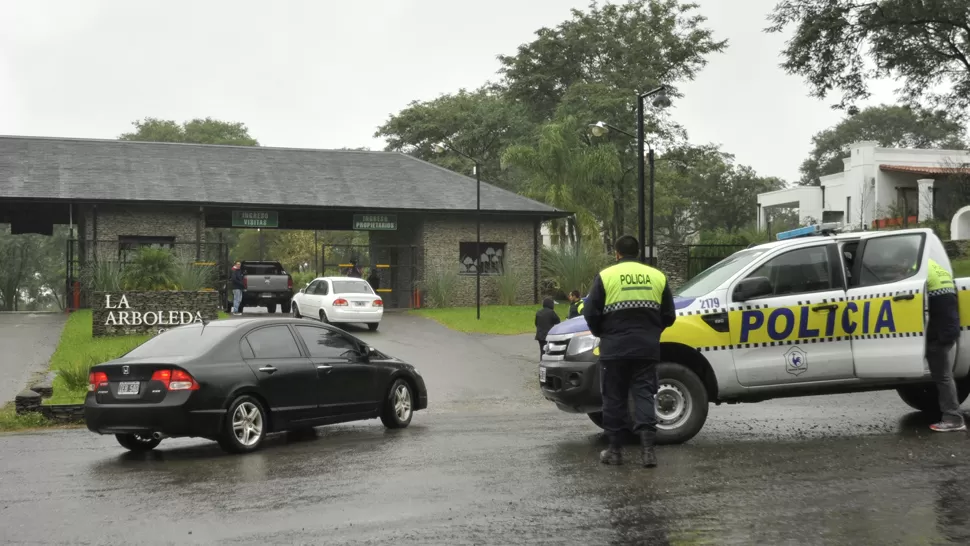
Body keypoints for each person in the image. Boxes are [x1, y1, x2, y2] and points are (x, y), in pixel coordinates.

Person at [583, 235, 675, 467]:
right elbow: (669, 315)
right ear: (639, 252)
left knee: (614, 398)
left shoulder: (606, 276)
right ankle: (648, 452)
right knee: (644, 394)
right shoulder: (657, 277)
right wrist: (652, 332)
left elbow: (590, 312)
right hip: (646, 348)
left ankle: (615, 452)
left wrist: (601, 333)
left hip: (614, 350)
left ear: (617, 253)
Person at [926, 257, 964, 431]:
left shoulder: (919, 268)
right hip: (949, 328)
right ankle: (951, 415)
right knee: (943, 375)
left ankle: (953, 418)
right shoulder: (936, 267)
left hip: (941, 332)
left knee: (943, 376)